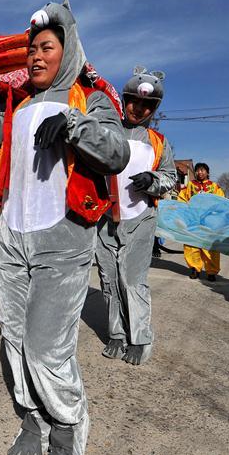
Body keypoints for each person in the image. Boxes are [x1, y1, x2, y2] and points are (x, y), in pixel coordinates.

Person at [0, 0, 129, 455]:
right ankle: (33, 419)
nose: (36, 56)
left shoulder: (91, 99)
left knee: (47, 349)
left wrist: (74, 125)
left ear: (69, 51)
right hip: (11, 240)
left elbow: (116, 154)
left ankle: (66, 424)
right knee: (16, 341)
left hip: (61, 240)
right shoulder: (19, 105)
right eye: (32, 50)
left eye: (47, 47)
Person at [95, 67, 177, 365]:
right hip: (104, 218)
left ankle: (140, 337)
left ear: (153, 109)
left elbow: (171, 176)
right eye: (134, 102)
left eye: (147, 106)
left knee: (132, 279)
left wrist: (152, 181)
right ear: (125, 99)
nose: (138, 109)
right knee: (109, 278)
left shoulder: (158, 141)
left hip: (141, 218)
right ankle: (116, 333)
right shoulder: (105, 130)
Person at [178, 163, 225, 281]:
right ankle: (195, 269)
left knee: (211, 248)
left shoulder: (215, 187)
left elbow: (221, 202)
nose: (200, 172)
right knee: (191, 245)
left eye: (202, 170)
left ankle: (211, 272)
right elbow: (182, 199)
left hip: (209, 222)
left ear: (207, 172)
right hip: (192, 221)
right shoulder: (189, 185)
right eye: (198, 170)